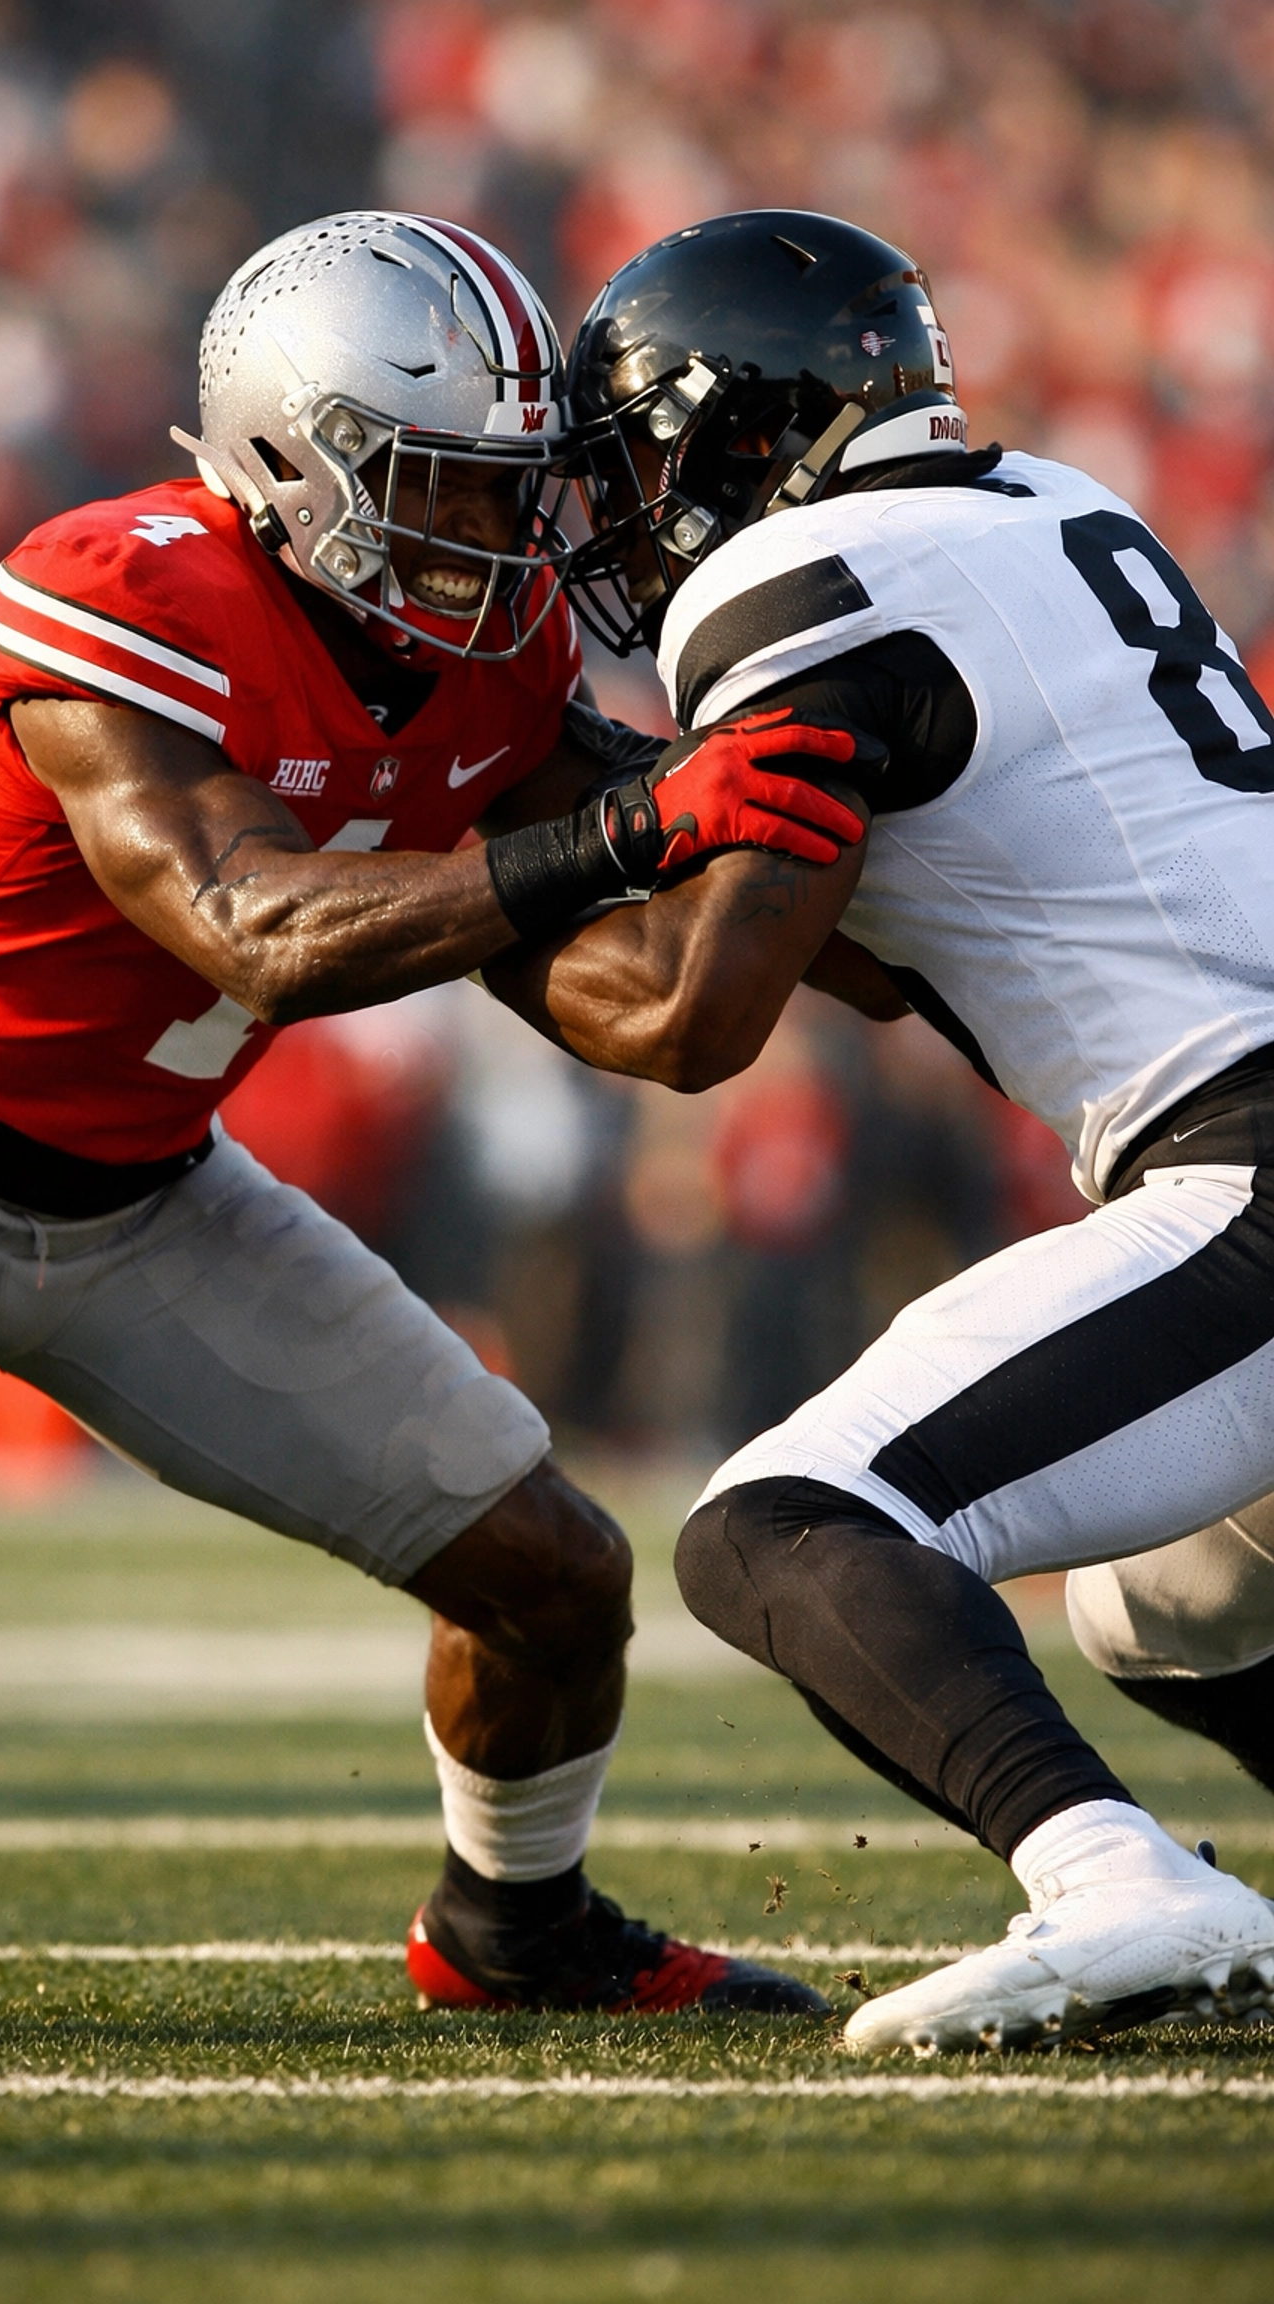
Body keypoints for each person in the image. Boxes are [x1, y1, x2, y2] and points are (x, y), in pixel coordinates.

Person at [0, 212, 859, 2019]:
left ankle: (512, 1932)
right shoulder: (123, 589)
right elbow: (247, 930)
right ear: (289, 457)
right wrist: (640, 825)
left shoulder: (486, 672)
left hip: (147, 1197)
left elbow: (643, 1007)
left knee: (555, 1579)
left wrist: (829, 812)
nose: (500, 536)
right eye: (448, 483)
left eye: (519, 488)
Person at [480, 207, 1274, 2051]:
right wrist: (624, 788)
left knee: (779, 1523)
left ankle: (1114, 1877)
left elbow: (696, 1017)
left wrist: (472, 873)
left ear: (748, 429)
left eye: (645, 457)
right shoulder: (1055, 507)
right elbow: (894, 948)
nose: (626, 510)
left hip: (1247, 1168)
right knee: (1171, 1608)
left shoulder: (796, 587)